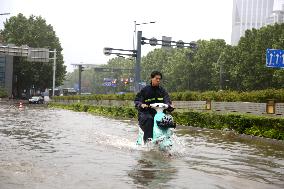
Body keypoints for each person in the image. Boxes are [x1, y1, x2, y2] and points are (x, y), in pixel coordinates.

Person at [134, 71, 174, 143]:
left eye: (159, 79)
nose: (158, 80)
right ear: (151, 78)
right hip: (146, 113)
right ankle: (148, 141)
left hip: (159, 113)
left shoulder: (162, 91)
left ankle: (169, 138)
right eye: (156, 78)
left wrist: (169, 105)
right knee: (149, 119)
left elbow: (167, 100)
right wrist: (141, 105)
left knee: (168, 121)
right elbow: (137, 100)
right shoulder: (145, 90)